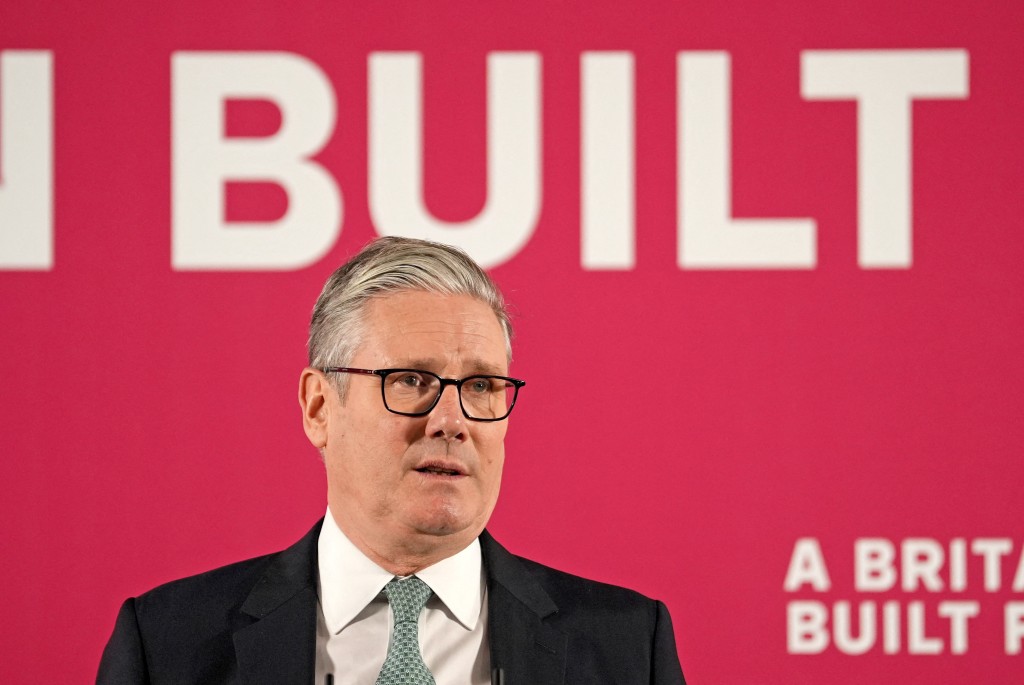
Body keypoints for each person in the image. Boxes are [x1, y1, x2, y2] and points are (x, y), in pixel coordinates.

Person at [98, 237, 686, 684]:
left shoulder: (628, 647)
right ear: (319, 407)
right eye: (410, 380)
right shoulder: (167, 644)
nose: (452, 420)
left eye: (481, 386)